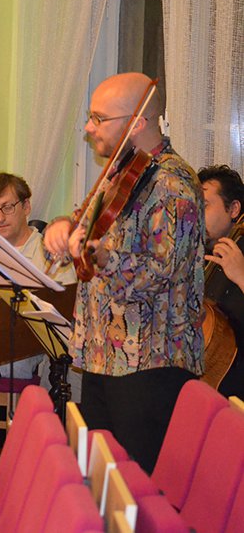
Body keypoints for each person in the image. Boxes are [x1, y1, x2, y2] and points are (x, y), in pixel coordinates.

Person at [44, 72, 204, 474]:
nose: (89, 127)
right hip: (103, 354)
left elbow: (163, 271)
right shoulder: (121, 172)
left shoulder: (173, 184)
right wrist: (62, 227)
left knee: (138, 485)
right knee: (102, 479)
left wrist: (103, 257)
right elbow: (85, 221)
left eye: (99, 118)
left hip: (149, 363)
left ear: (137, 123)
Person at [0, 172, 77, 380]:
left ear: (26, 206)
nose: (0, 218)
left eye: (7, 207)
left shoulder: (50, 253)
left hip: (20, 351)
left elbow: (64, 314)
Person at [198, 164, 244, 398]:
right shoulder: (202, 257)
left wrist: (241, 275)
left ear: (234, 209)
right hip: (211, 389)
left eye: (204, 205)